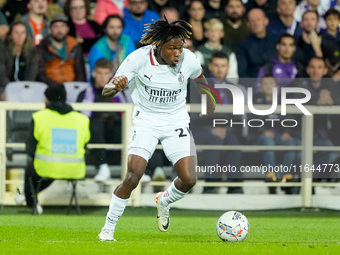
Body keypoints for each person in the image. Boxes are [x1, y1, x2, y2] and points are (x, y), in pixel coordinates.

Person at [97, 18, 214, 241]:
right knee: (133, 176)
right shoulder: (138, 59)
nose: (178, 53)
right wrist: (115, 86)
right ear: (158, 46)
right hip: (146, 121)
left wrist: (209, 100)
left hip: (176, 122)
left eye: (181, 47)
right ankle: (108, 228)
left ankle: (164, 200)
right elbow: (106, 91)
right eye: (173, 48)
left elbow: (201, 79)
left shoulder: (188, 59)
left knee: (189, 180)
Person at [24, 84, 90, 214]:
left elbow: (30, 148)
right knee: (50, 170)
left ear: (47, 99)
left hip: (45, 167)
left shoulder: (39, 117)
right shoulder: (82, 119)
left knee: (31, 170)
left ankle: (31, 202)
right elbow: (85, 147)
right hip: (75, 170)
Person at [191, 51, 244, 194]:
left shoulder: (235, 89)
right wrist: (211, 129)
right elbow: (195, 115)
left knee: (235, 143)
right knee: (215, 140)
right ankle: (210, 184)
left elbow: (238, 118)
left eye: (223, 66)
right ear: (211, 67)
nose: (220, 69)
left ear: (228, 67)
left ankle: (234, 184)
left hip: (227, 130)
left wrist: (227, 129)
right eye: (216, 65)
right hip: (202, 131)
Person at [77, 58, 127, 182]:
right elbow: (81, 119)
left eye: (106, 74)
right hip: (94, 133)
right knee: (94, 126)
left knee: (127, 127)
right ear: (93, 73)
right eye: (99, 73)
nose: (102, 77)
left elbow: (128, 115)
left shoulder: (119, 94)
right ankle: (103, 167)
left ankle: (134, 169)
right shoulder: (85, 94)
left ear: (111, 75)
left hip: (114, 132)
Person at [37, 14, 86, 87]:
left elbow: (80, 71)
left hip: (72, 86)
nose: (59, 30)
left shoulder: (74, 45)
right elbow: (41, 74)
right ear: (50, 30)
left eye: (62, 26)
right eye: (55, 27)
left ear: (67, 29)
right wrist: (57, 87)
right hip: (51, 87)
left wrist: (76, 86)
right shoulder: (43, 47)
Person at [236, 8, 276, 84]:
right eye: (252, 21)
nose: (256, 23)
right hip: (253, 85)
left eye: (258, 19)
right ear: (248, 24)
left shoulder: (276, 42)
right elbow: (242, 73)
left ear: (266, 21)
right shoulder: (242, 45)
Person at [0, 21, 39, 100]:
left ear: (26, 35)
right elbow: (2, 74)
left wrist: (23, 89)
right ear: (10, 35)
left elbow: (32, 75)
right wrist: (11, 89)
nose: (19, 36)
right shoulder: (2, 51)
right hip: (5, 87)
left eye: (23, 33)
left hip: (26, 87)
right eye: (16, 32)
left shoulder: (33, 52)